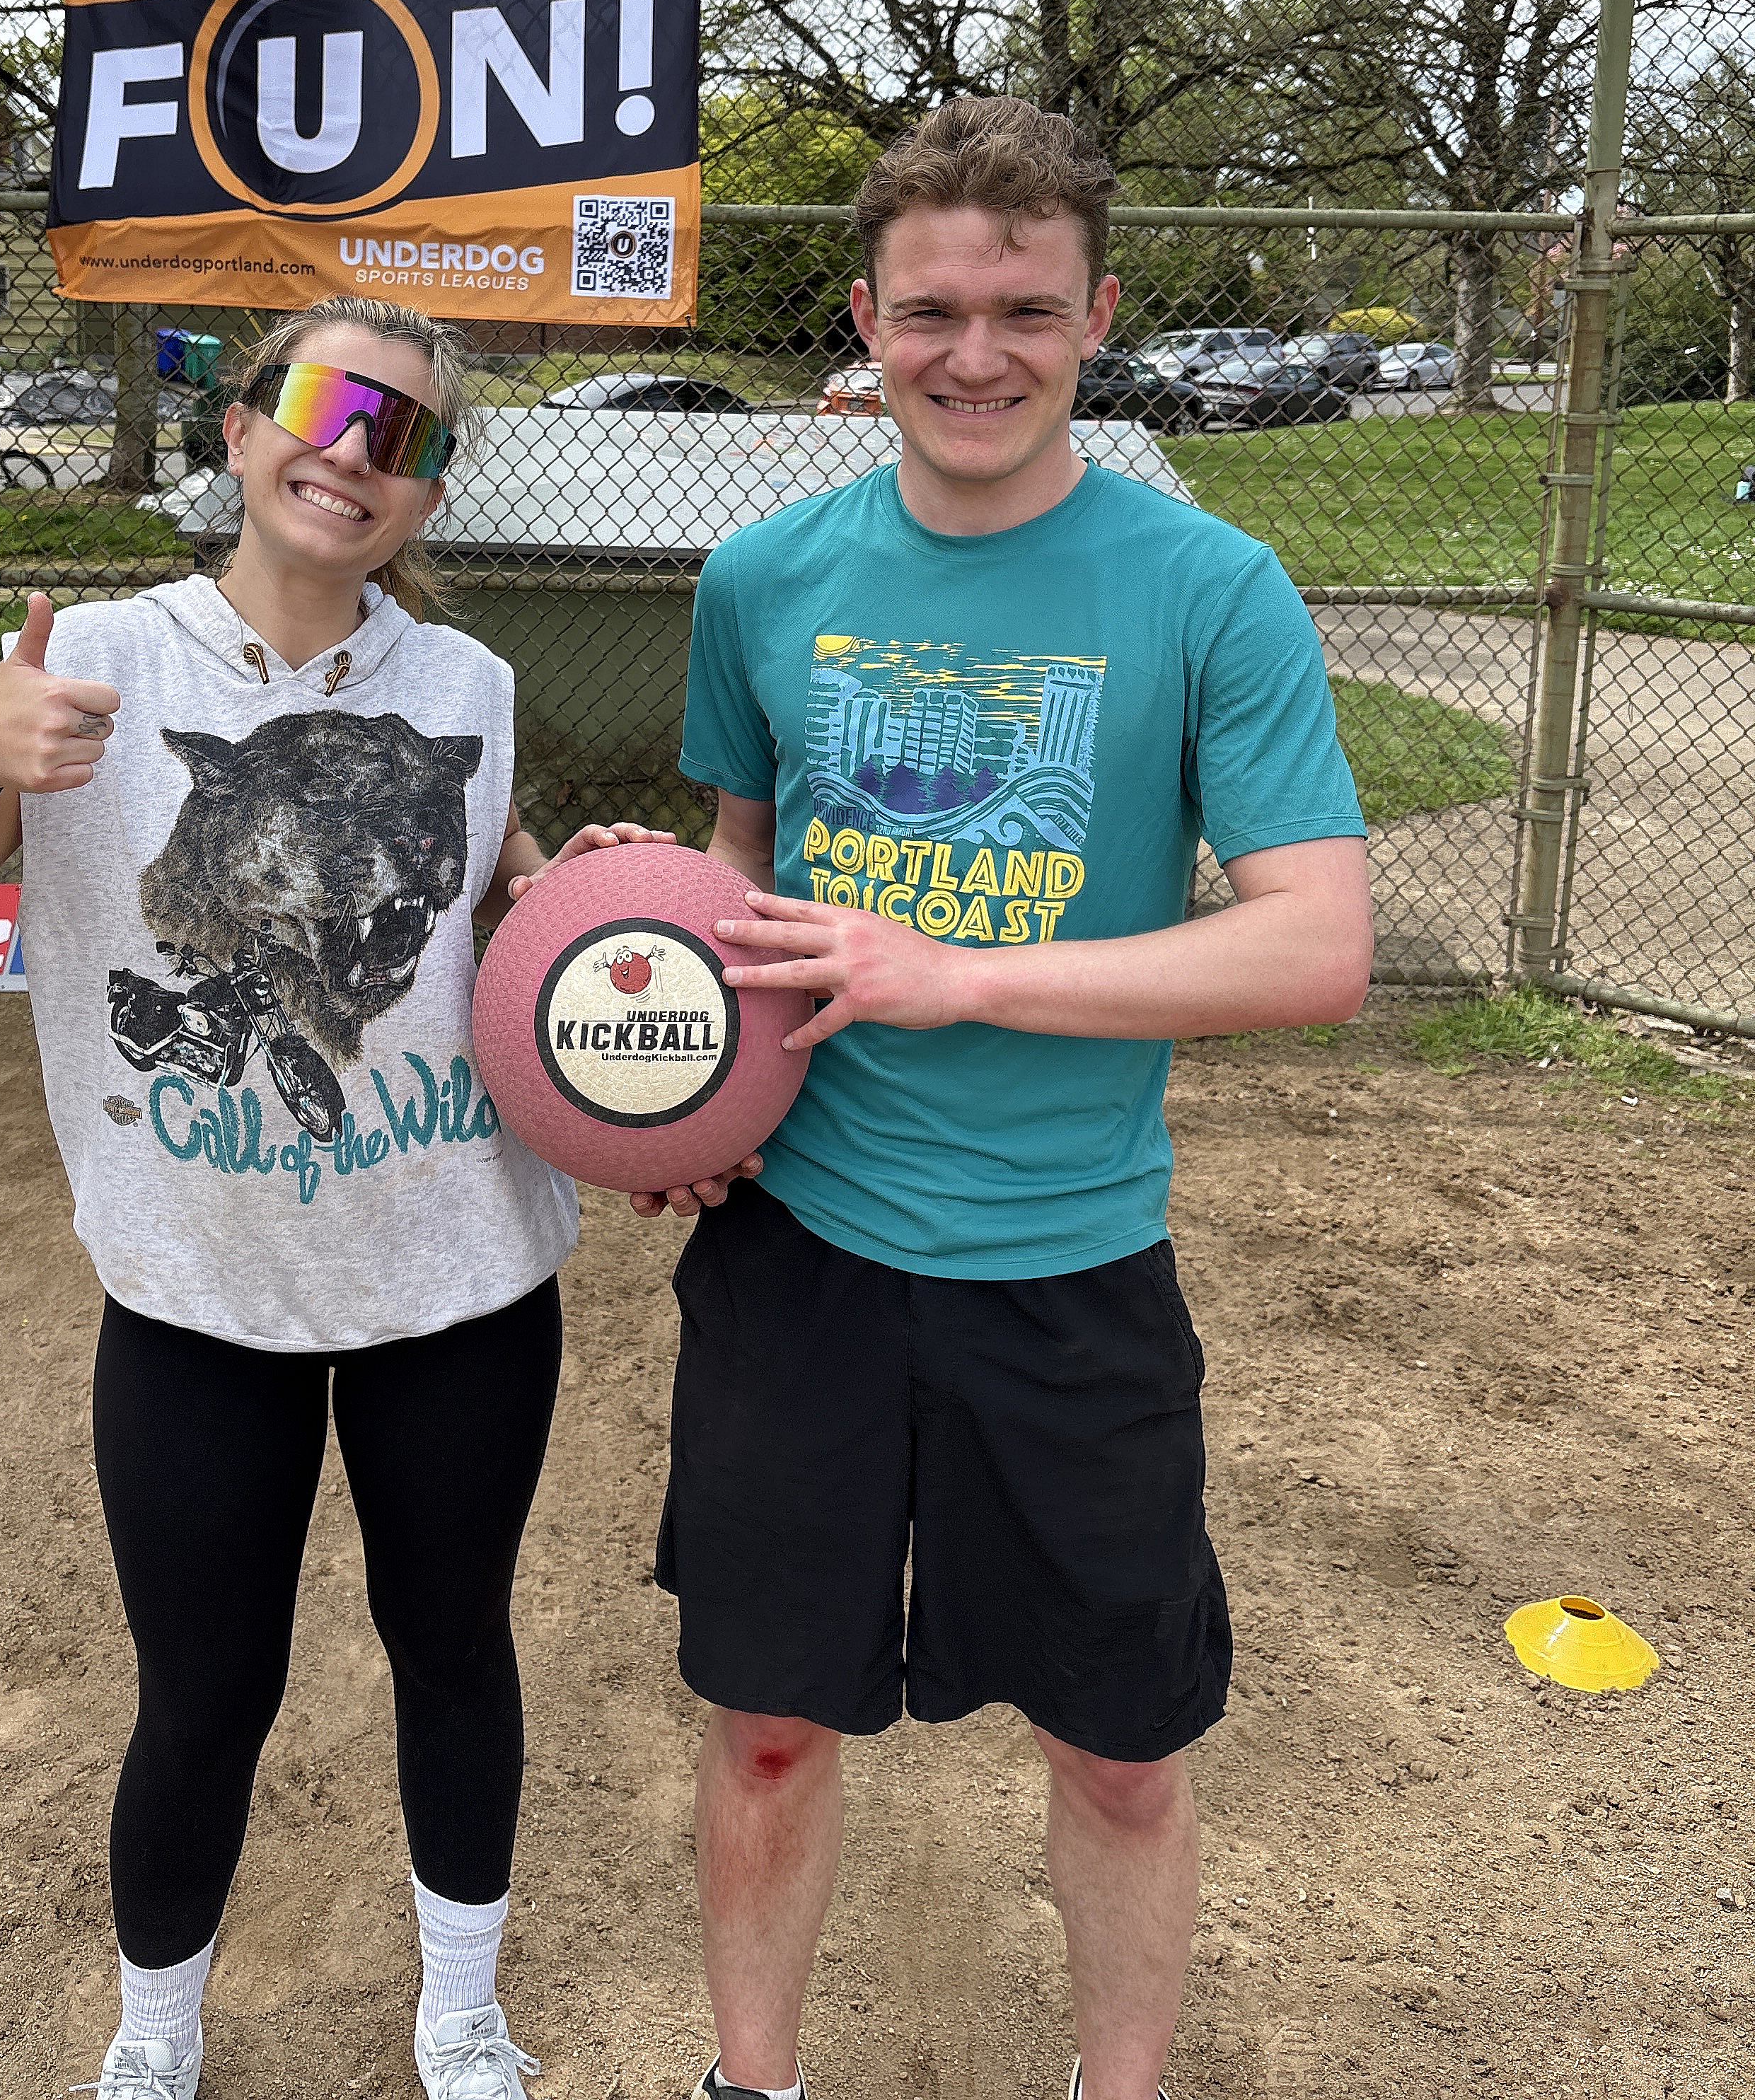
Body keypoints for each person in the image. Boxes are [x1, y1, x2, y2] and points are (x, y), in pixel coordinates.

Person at [0, 296, 685, 2100]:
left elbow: (500, 922)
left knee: (452, 1650)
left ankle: (460, 2011)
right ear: (238, 427)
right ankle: (155, 2038)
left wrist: (576, 894)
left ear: (431, 490)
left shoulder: (472, 692)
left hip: (459, 1279)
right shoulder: (96, 672)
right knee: (205, 1697)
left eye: (410, 431)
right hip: (198, 1297)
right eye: (326, 401)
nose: (359, 446)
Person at [640, 101, 1374, 2100]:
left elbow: (1314, 946)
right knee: (773, 1725)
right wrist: (683, 1093)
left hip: (1071, 1269)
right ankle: (750, 2083)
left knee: (1124, 1756)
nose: (976, 354)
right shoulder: (764, 577)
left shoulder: (1207, 585)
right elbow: (742, 901)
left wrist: (955, 974)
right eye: (933, 310)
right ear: (866, 319)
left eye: (1025, 311)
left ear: (1095, 315)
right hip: (805, 1260)